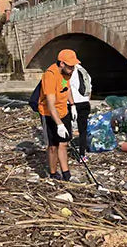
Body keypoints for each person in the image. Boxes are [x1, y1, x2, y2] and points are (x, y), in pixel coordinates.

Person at [38, 49, 80, 181]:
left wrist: (72, 105)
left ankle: (66, 172)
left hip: (63, 111)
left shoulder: (67, 73)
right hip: (49, 114)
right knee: (53, 146)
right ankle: (53, 172)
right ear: (62, 64)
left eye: (74, 66)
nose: (73, 69)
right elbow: (50, 104)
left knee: (64, 143)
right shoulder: (50, 76)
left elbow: (65, 89)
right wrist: (59, 124)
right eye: (70, 66)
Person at [69, 63, 92, 163]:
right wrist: (87, 100)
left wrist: (71, 104)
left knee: (66, 127)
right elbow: (89, 88)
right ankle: (82, 155)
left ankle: (65, 149)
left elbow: (65, 88)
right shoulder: (85, 71)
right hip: (84, 103)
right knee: (83, 130)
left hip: (72, 103)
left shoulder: (69, 72)